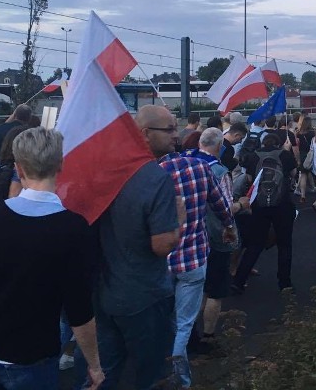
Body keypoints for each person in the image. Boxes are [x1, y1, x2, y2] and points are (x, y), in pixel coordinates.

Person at [0, 127, 103, 389]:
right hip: (31, 357)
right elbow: (79, 308)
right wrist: (94, 365)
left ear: (19, 167)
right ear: (60, 164)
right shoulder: (73, 228)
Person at [96, 105, 181, 390]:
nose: (176, 135)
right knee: (149, 375)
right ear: (145, 134)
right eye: (169, 129)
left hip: (104, 292)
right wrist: (178, 222)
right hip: (144, 295)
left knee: (103, 372)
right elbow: (161, 245)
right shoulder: (156, 179)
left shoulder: (106, 171)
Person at [159, 128, 235, 388]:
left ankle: (160, 369)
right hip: (193, 257)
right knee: (185, 322)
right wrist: (229, 227)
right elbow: (222, 208)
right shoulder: (199, 169)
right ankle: (180, 378)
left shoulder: (152, 175)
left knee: (164, 317)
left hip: (162, 259)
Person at [191, 129, 246, 350]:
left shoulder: (186, 162)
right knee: (215, 289)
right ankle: (208, 335)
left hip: (191, 236)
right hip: (215, 237)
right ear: (220, 145)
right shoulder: (219, 171)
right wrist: (242, 204)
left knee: (195, 288)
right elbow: (225, 208)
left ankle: (189, 334)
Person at [232, 132, 297, 293]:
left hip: (259, 205)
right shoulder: (285, 155)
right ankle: (285, 283)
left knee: (255, 244)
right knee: (284, 245)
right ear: (279, 143)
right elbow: (294, 173)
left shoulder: (253, 156)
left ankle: (239, 280)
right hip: (282, 204)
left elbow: (248, 178)